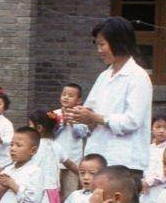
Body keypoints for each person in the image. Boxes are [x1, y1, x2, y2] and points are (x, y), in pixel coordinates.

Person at [62, 17, 153, 174]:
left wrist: (96, 118)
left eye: (102, 44)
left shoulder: (137, 76)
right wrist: (77, 117)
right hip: (98, 161)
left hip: (124, 163)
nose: (99, 50)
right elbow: (90, 115)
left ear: (119, 42)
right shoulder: (104, 76)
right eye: (97, 45)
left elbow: (132, 121)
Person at [144, 114, 166, 188]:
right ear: (152, 128)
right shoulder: (148, 148)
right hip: (144, 187)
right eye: (158, 127)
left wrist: (150, 182)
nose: (161, 131)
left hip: (162, 187)